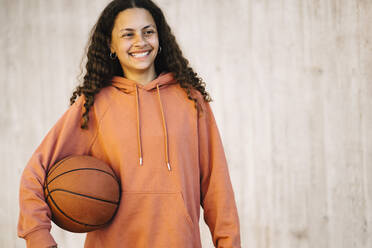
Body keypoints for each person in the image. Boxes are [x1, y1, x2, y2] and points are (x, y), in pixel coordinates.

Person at [17, 0, 241, 247]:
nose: (140, 42)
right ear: (111, 44)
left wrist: (229, 242)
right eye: (128, 34)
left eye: (148, 32)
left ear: (160, 37)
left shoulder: (190, 99)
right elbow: (35, 172)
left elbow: (216, 187)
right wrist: (37, 235)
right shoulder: (94, 103)